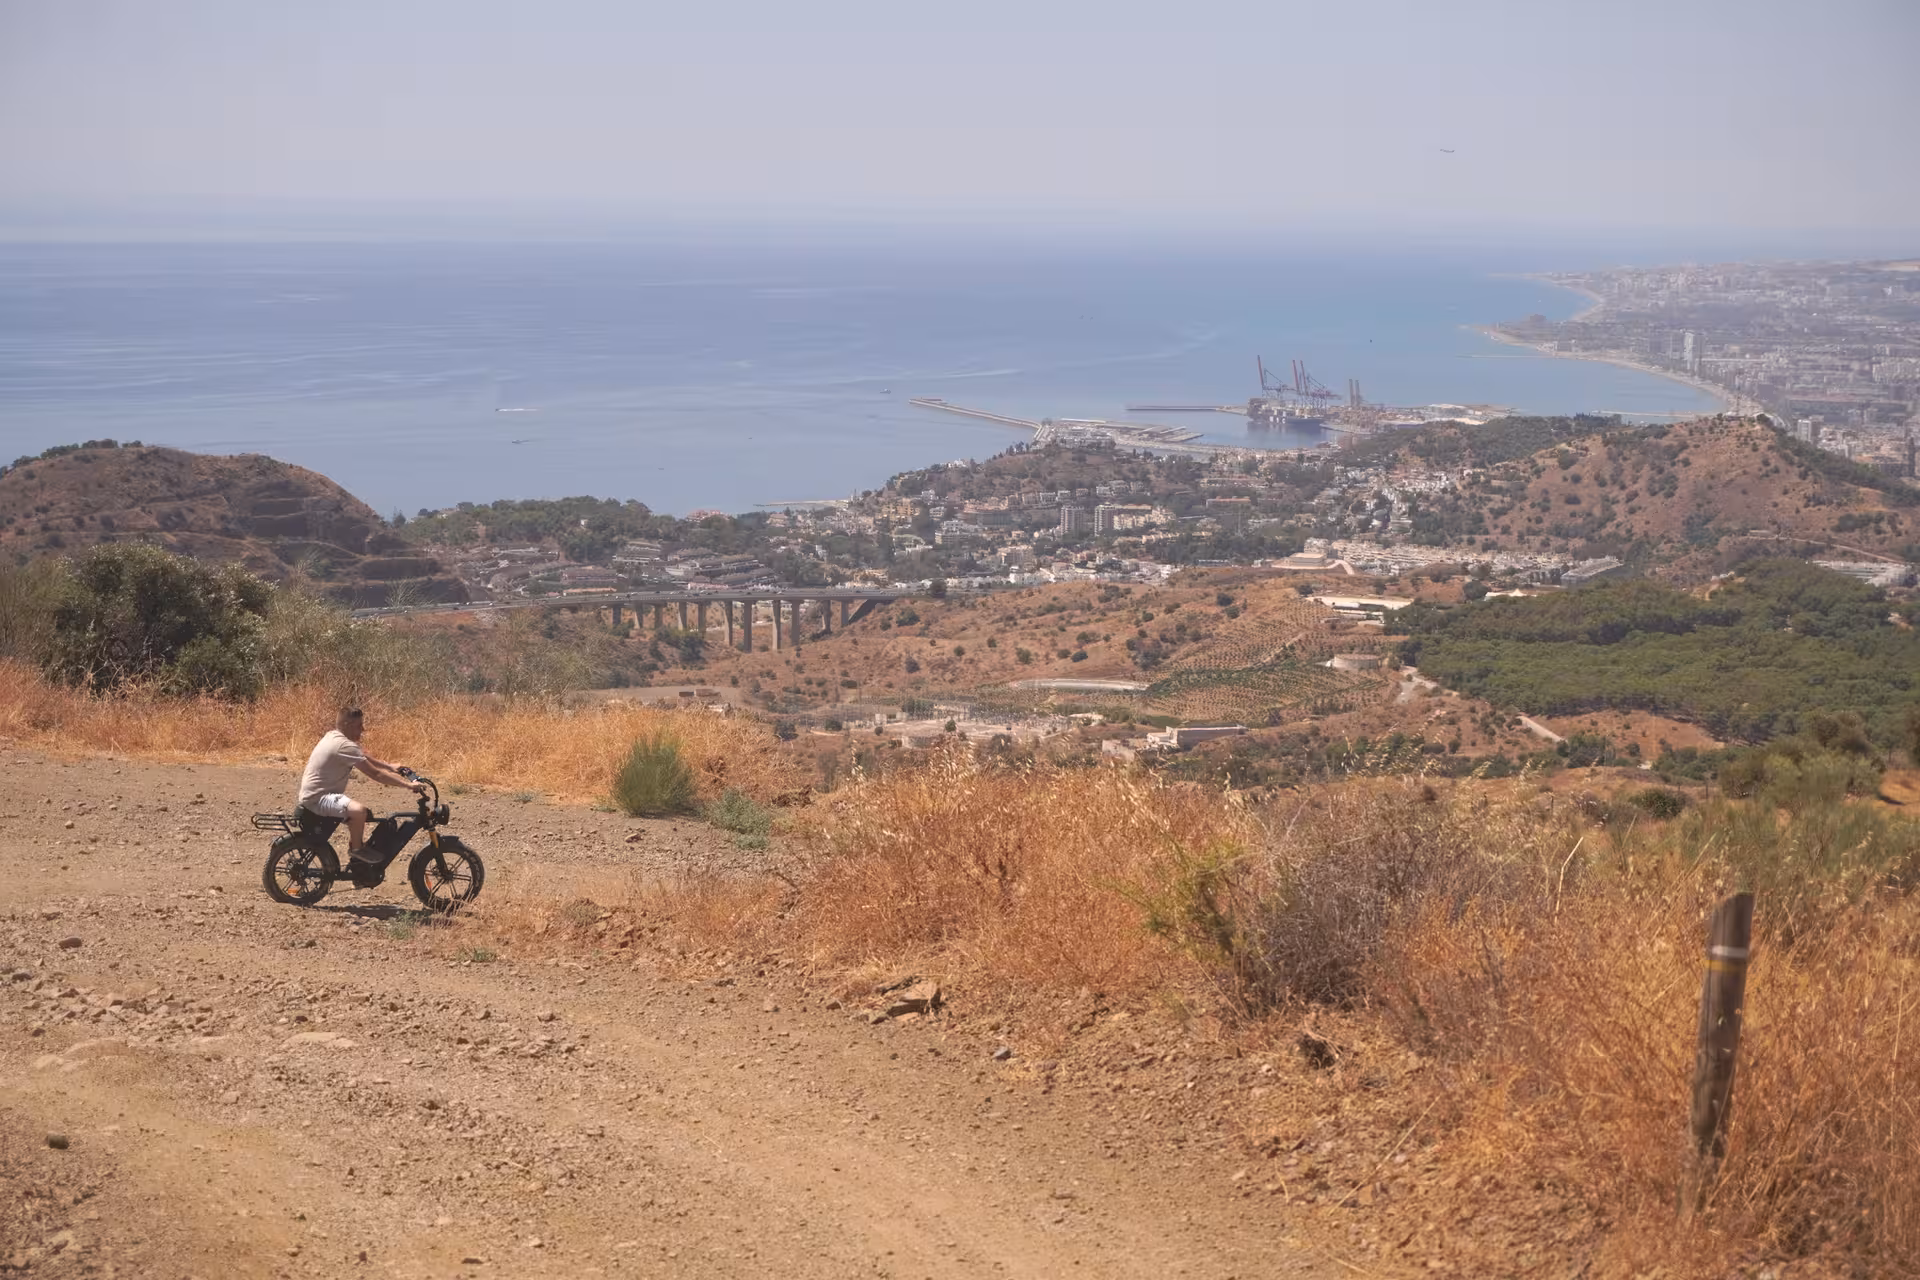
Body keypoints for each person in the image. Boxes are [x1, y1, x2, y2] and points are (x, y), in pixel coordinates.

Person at [297, 706, 425, 864]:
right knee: (359, 811)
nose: (363, 729)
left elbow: (362, 753)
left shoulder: (334, 736)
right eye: (359, 725)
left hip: (317, 794)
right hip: (318, 798)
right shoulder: (344, 746)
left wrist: (389, 766)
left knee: (360, 812)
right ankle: (356, 849)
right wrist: (408, 785)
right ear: (347, 725)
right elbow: (375, 774)